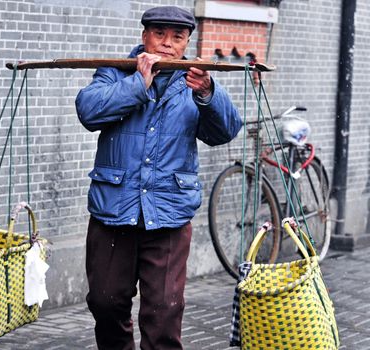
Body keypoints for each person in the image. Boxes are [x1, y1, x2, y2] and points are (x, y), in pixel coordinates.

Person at [75, 6, 242, 350]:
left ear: (187, 43)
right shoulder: (116, 71)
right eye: (159, 34)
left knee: (164, 310)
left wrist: (208, 95)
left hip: (168, 211)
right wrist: (138, 83)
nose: (167, 44)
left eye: (177, 37)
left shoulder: (196, 78)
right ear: (144, 36)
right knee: (106, 302)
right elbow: (89, 111)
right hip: (114, 209)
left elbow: (225, 131)